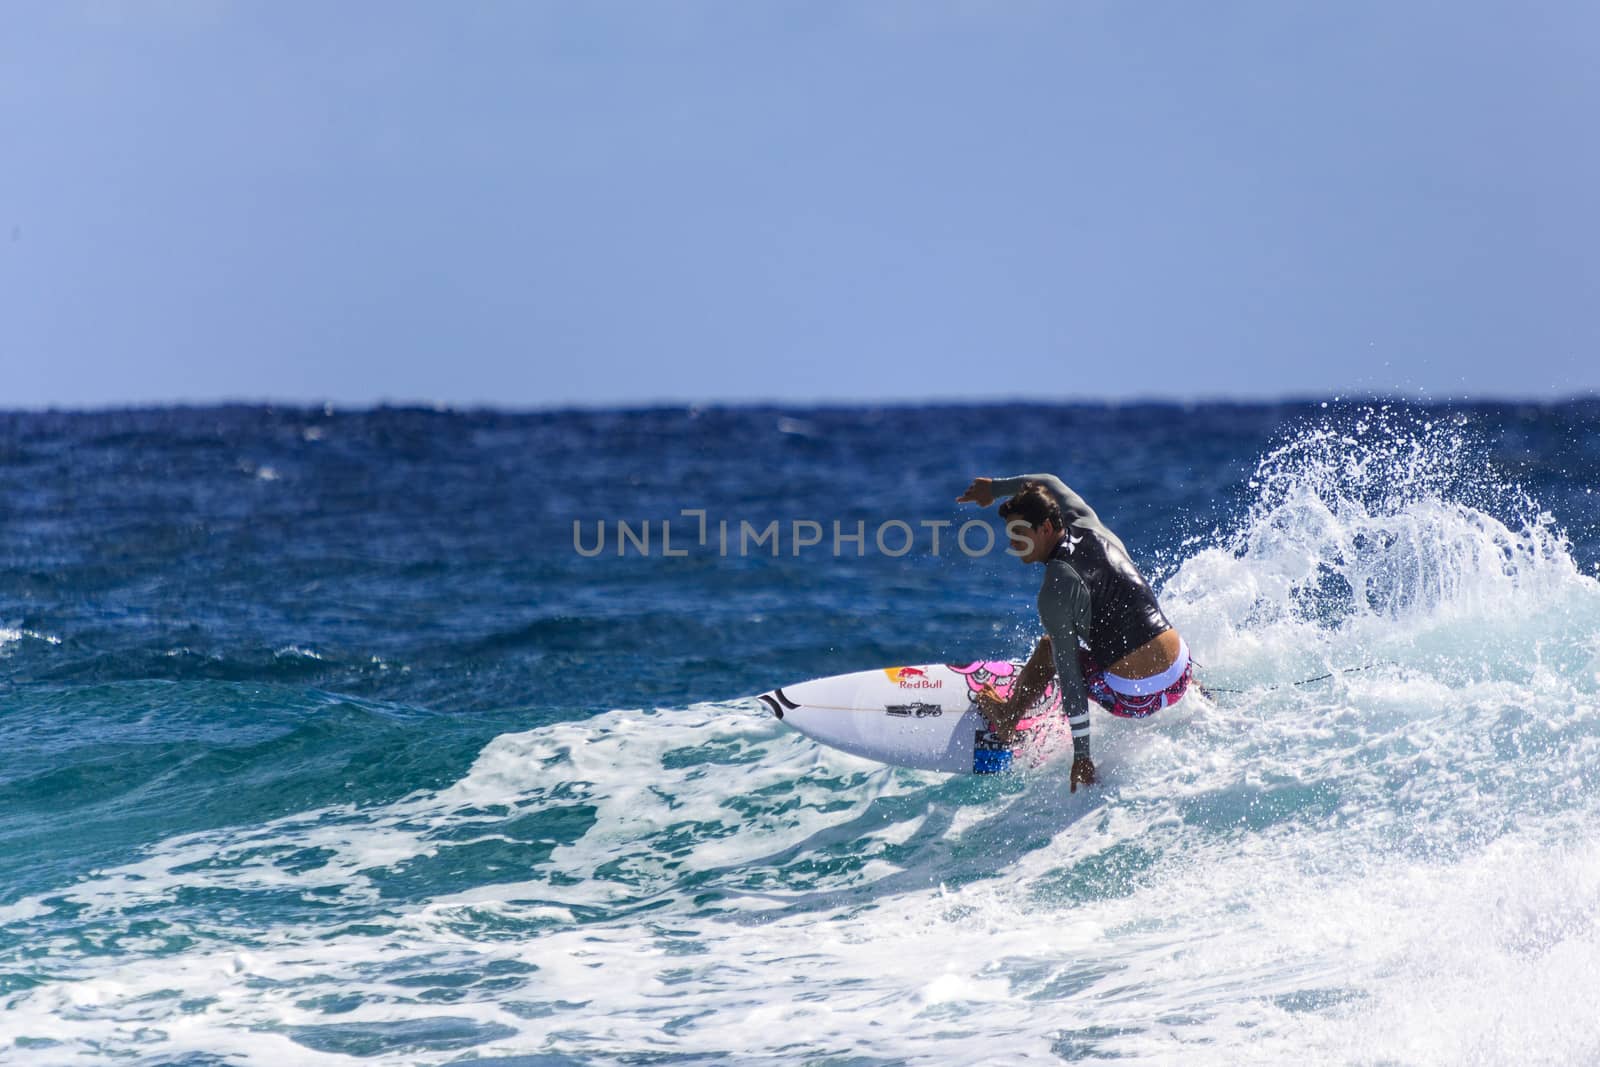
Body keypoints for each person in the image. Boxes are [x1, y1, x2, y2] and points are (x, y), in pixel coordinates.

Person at [957, 473, 1192, 792]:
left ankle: (1008, 717)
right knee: (1139, 624)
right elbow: (1049, 481)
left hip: (1138, 699)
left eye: (1021, 533)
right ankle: (1197, 690)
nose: (1013, 543)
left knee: (1047, 648)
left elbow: (1069, 676)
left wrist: (1082, 756)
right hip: (1181, 674)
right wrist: (995, 489)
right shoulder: (1090, 523)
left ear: (1047, 528)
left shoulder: (1056, 588)